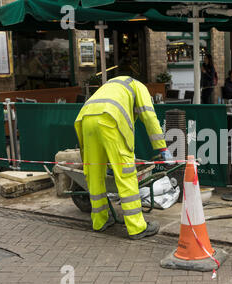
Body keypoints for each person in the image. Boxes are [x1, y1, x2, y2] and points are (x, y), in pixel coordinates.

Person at [74, 76, 173, 240]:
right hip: (110, 119)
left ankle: (99, 221)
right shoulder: (140, 87)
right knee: (126, 174)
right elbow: (149, 118)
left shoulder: (115, 85)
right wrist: (162, 147)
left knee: (94, 173)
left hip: (86, 119)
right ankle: (137, 227)